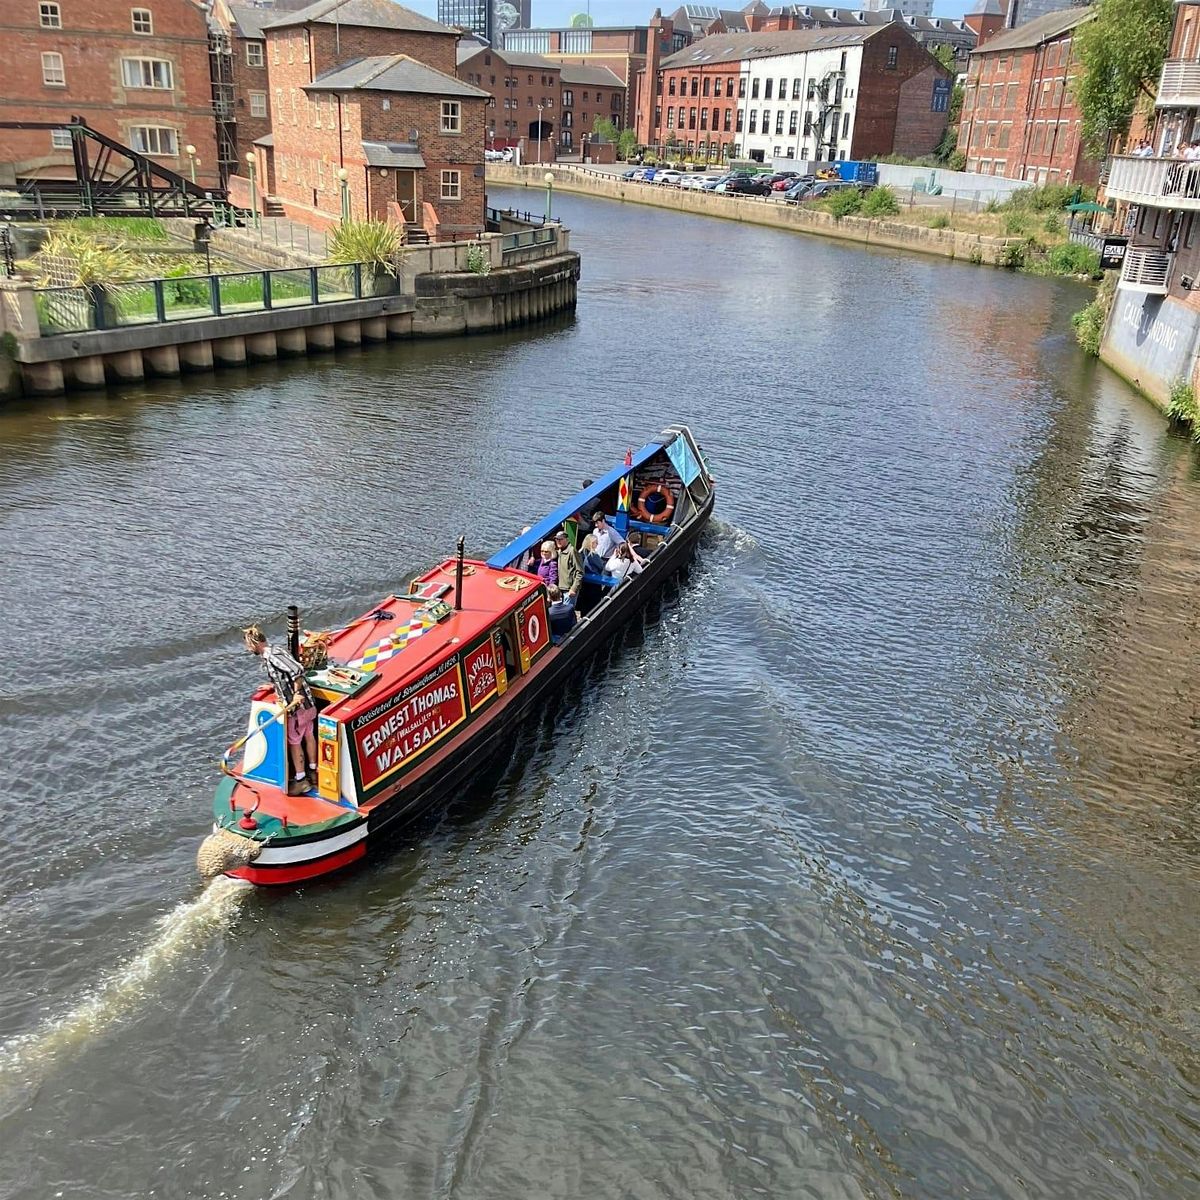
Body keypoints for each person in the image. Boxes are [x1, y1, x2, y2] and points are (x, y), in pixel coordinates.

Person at [243, 624, 317, 796]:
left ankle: (301, 781)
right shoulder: (278, 649)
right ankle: (313, 773)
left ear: (254, 643)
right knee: (309, 735)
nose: (248, 650)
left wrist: (296, 694)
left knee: (295, 742)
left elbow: (296, 670)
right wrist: (274, 686)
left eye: (248, 646)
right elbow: (286, 674)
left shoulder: (271, 657)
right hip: (307, 704)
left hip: (297, 708)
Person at [555, 528, 583, 599]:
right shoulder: (559, 551)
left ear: (567, 540)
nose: (558, 541)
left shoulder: (572, 551)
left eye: (560, 539)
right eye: (557, 539)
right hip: (560, 588)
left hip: (569, 590)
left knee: (568, 609)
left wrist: (574, 588)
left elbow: (580, 571)